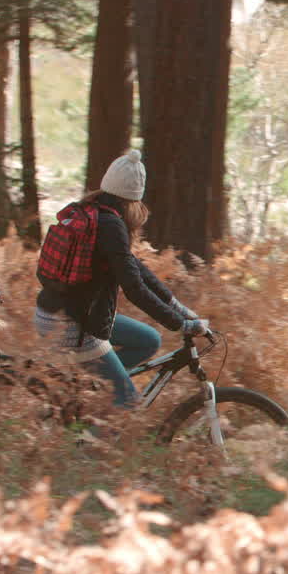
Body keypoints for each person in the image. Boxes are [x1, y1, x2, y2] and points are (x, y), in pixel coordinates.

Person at [33, 150, 208, 408]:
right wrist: (180, 325)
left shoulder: (92, 211)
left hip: (64, 312)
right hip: (72, 326)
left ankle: (91, 387)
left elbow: (135, 268)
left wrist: (180, 310)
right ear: (135, 198)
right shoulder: (111, 226)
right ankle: (88, 439)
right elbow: (134, 288)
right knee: (127, 403)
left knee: (148, 340)